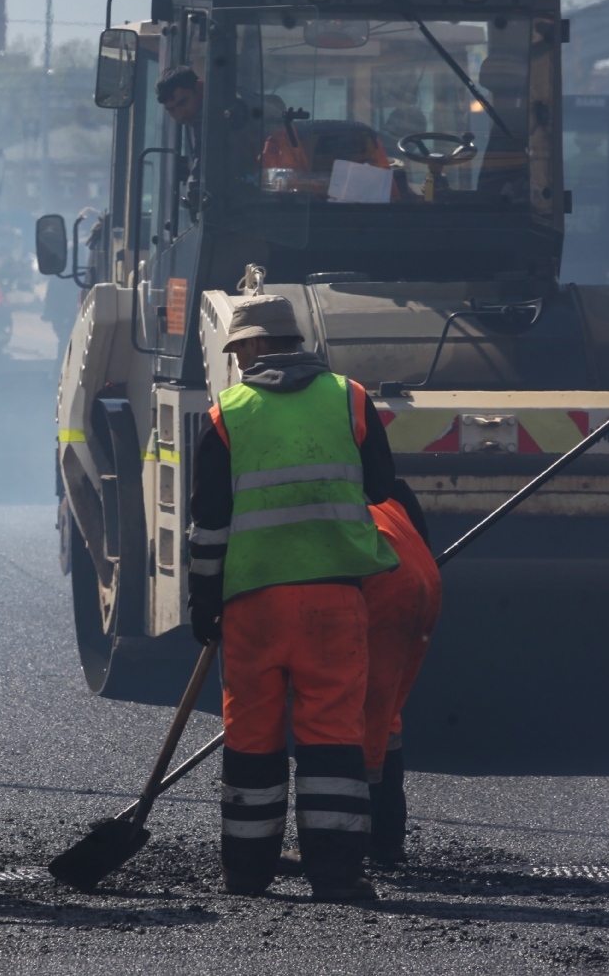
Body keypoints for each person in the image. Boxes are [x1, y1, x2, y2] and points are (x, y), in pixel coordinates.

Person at [186, 294, 400, 900]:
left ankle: (247, 874)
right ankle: (334, 875)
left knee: (252, 736)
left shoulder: (228, 414)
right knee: (332, 735)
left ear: (253, 347)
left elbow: (211, 526)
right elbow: (382, 484)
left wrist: (205, 604)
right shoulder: (350, 398)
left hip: (253, 603)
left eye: (238, 350)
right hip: (334, 599)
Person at [360, 478, 442, 865]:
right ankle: (385, 839)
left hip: (383, 581)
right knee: (382, 713)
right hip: (417, 571)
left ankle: (363, 841)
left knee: (357, 716)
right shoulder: (380, 487)